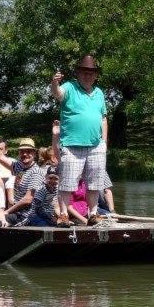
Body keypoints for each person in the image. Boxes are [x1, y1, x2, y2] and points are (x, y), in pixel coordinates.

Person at [50, 54, 108, 226]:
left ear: (96, 75)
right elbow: (58, 94)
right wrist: (55, 83)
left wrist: (104, 142)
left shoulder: (99, 93)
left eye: (91, 72)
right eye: (84, 72)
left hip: (96, 145)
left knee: (95, 182)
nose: (88, 75)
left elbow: (103, 118)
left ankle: (93, 213)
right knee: (67, 182)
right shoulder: (69, 87)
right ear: (78, 73)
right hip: (71, 144)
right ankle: (63, 215)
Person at [0, 120, 45, 226]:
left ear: (34, 153)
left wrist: (7, 211)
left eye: (28, 151)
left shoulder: (36, 172)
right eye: (22, 151)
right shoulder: (19, 166)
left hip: (26, 216)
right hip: (16, 213)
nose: (25, 154)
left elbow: (28, 200)